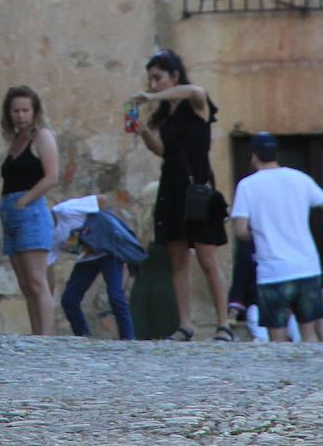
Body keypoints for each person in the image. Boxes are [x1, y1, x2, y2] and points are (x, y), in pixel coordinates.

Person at [129, 49, 232, 342]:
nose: (153, 84)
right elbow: (163, 152)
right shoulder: (166, 116)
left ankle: (223, 323)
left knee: (207, 257)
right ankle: (185, 324)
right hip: (171, 188)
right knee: (177, 257)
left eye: (158, 78)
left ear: (174, 76)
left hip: (198, 187)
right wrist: (145, 133)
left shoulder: (196, 105)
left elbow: (196, 90)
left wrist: (153, 97)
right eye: (150, 79)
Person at [229, 132, 323, 342]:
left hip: (273, 271)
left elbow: (240, 230)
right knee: (308, 332)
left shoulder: (247, 185)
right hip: (307, 267)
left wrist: (259, 231)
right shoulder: (300, 178)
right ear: (276, 153)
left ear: (253, 156)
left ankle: (283, 375)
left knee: (277, 337)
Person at [0, 86, 60, 335]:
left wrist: (24, 201)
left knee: (37, 281)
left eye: (25, 110)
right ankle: (36, 334)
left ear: (35, 111)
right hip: (11, 214)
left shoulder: (41, 137)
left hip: (30, 212)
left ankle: (45, 336)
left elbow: (52, 176)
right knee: (25, 283)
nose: (20, 115)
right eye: (16, 110)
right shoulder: (15, 140)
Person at [50, 194, 145, 340]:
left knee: (115, 295)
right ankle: (82, 337)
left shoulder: (64, 210)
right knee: (69, 300)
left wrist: (94, 233)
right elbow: (45, 266)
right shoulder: (48, 239)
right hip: (87, 258)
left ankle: (129, 338)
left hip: (107, 251)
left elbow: (101, 200)